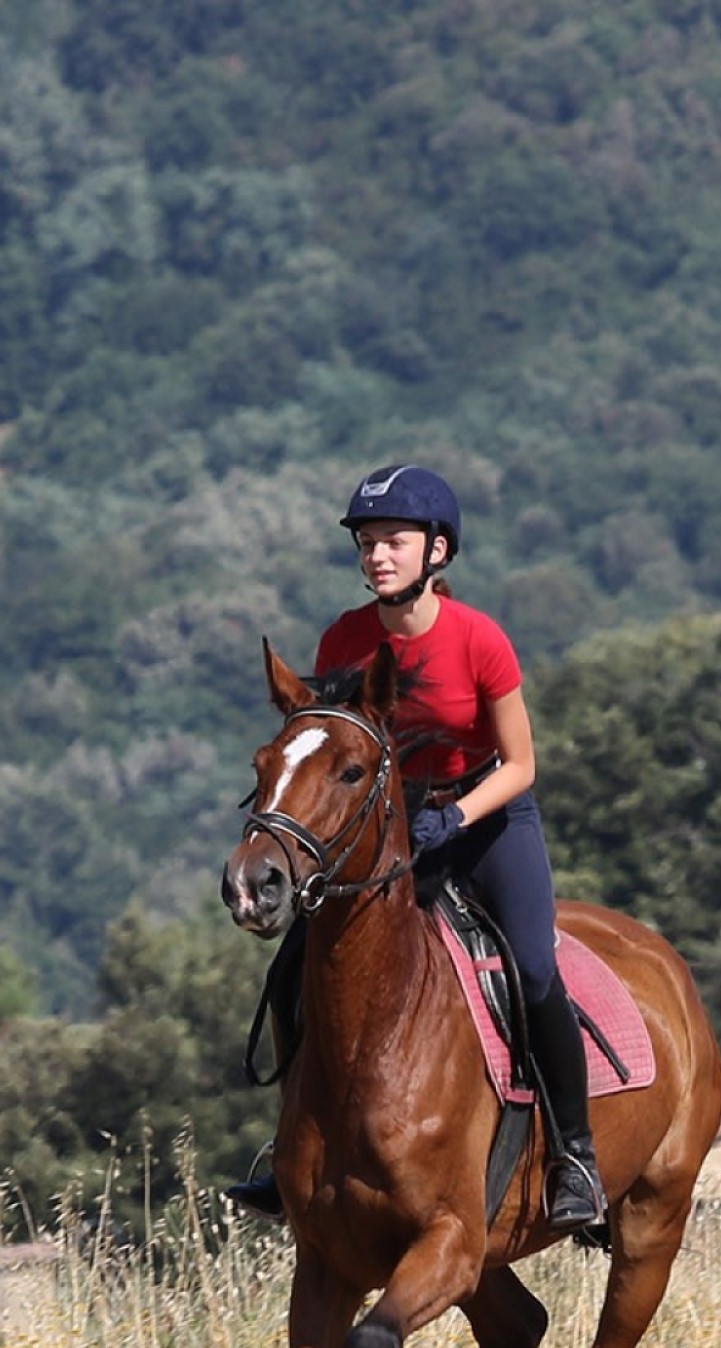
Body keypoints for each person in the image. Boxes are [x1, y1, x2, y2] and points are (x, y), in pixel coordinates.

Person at [228, 463, 605, 1232]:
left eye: (392, 541)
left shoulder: (480, 640)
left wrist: (457, 817)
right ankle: (293, 1147)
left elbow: (523, 764)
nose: (376, 556)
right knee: (296, 967)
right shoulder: (345, 637)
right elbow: (336, 751)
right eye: (367, 543)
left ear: (437, 551)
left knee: (534, 969)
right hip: (387, 828)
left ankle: (576, 1158)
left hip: (488, 818)